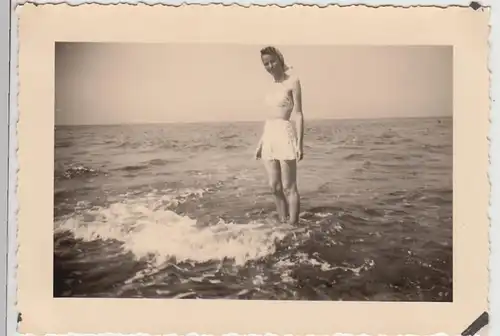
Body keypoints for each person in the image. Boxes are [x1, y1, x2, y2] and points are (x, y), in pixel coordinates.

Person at [254, 46, 304, 225]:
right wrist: (261, 142)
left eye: (272, 61)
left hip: (285, 133)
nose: (270, 66)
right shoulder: (270, 86)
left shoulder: (293, 81)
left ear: (280, 59)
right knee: (274, 187)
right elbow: (270, 116)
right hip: (269, 135)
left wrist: (299, 143)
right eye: (266, 64)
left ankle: (294, 226)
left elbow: (298, 114)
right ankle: (283, 222)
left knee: (288, 187)